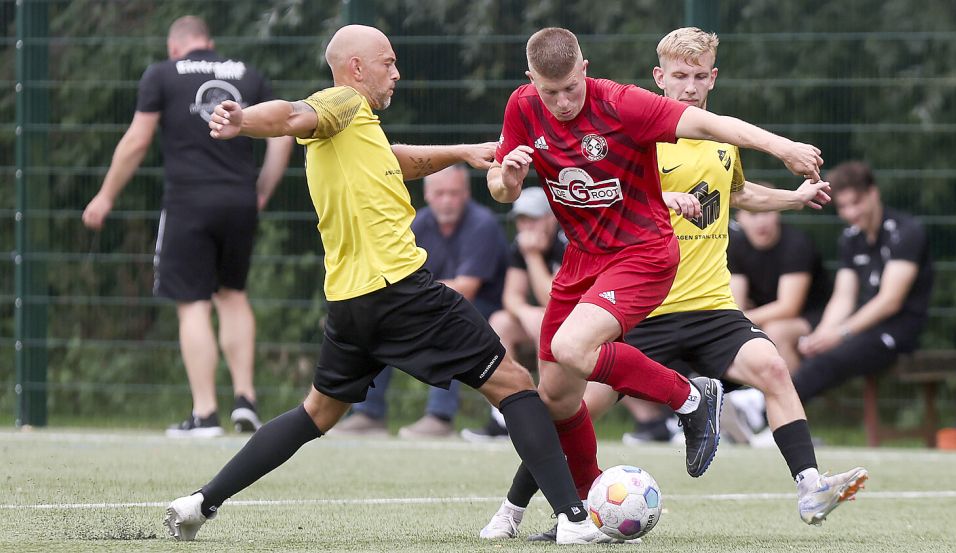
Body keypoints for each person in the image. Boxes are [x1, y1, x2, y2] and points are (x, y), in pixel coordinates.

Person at [164, 24, 618, 545]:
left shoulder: (357, 131)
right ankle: (575, 520)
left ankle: (200, 502)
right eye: (388, 62)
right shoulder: (341, 103)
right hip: (401, 288)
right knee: (515, 386)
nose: (396, 72)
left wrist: (463, 151)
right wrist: (243, 120)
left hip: (350, 302)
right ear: (356, 68)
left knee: (317, 413)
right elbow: (290, 115)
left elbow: (395, 161)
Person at [481, 27, 867, 541]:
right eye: (679, 76)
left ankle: (810, 484)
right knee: (563, 400)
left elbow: (735, 194)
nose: (689, 86)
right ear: (659, 77)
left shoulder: (711, 145)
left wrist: (793, 198)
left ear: (712, 77)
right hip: (639, 307)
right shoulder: (644, 128)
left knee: (773, 366)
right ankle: (534, 508)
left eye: (699, 76)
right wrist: (664, 199)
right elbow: (617, 187)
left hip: (703, 303)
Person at [82, 16, 294, 437]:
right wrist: (263, 189)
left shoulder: (162, 74)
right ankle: (245, 399)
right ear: (209, 43)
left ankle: (205, 414)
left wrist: (105, 196)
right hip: (239, 201)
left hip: (187, 202)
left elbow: (138, 140)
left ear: (174, 47)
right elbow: (283, 134)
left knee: (193, 302)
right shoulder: (247, 74)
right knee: (233, 295)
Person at [333, 164, 509, 439]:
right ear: (427, 195)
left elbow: (467, 288)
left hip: (484, 310)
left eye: (454, 193)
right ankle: (368, 414)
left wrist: (412, 298)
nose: (447, 200)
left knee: (446, 326)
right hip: (432, 303)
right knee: (380, 322)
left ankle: (440, 418)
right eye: (440, 193)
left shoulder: (482, 223)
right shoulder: (418, 224)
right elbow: (399, 277)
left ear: (466, 193)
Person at [795, 160, 933, 403]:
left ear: (873, 193)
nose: (850, 213)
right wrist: (823, 334)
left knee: (830, 357)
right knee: (811, 350)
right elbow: (843, 297)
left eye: (855, 203)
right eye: (843, 206)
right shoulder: (850, 238)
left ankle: (760, 410)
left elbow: (890, 301)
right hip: (862, 330)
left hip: (898, 332)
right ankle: (769, 416)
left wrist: (841, 333)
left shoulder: (907, 232)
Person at [461, 186, 568, 442]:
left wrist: (532, 257)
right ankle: (503, 418)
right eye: (521, 219)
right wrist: (524, 312)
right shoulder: (520, 245)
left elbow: (554, 299)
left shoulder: (568, 242)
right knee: (501, 321)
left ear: (550, 218)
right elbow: (511, 296)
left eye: (532, 218)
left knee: (544, 320)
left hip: (579, 330)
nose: (525, 226)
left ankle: (547, 414)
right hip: (545, 325)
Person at [730, 196, 831, 374]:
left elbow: (788, 307)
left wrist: (739, 320)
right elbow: (736, 304)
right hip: (763, 315)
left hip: (815, 316)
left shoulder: (796, 244)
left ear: (777, 213)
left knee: (775, 332)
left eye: (767, 212)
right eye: (753, 214)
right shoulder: (735, 246)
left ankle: (792, 398)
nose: (761, 221)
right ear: (740, 218)